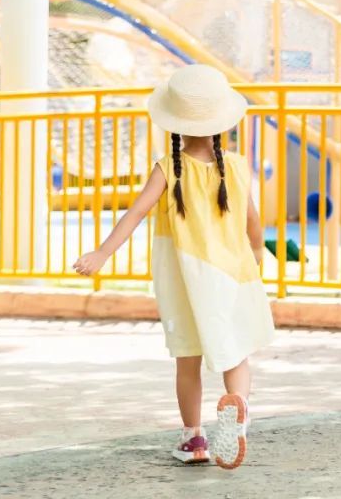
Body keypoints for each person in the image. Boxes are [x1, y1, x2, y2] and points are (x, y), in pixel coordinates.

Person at [74, 64, 275, 470]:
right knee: (235, 354)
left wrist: (102, 253)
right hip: (232, 274)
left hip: (186, 281)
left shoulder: (167, 168)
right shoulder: (235, 166)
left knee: (189, 360)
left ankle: (194, 437)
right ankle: (239, 414)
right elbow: (253, 221)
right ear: (223, 122)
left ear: (176, 124)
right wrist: (256, 252)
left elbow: (134, 214)